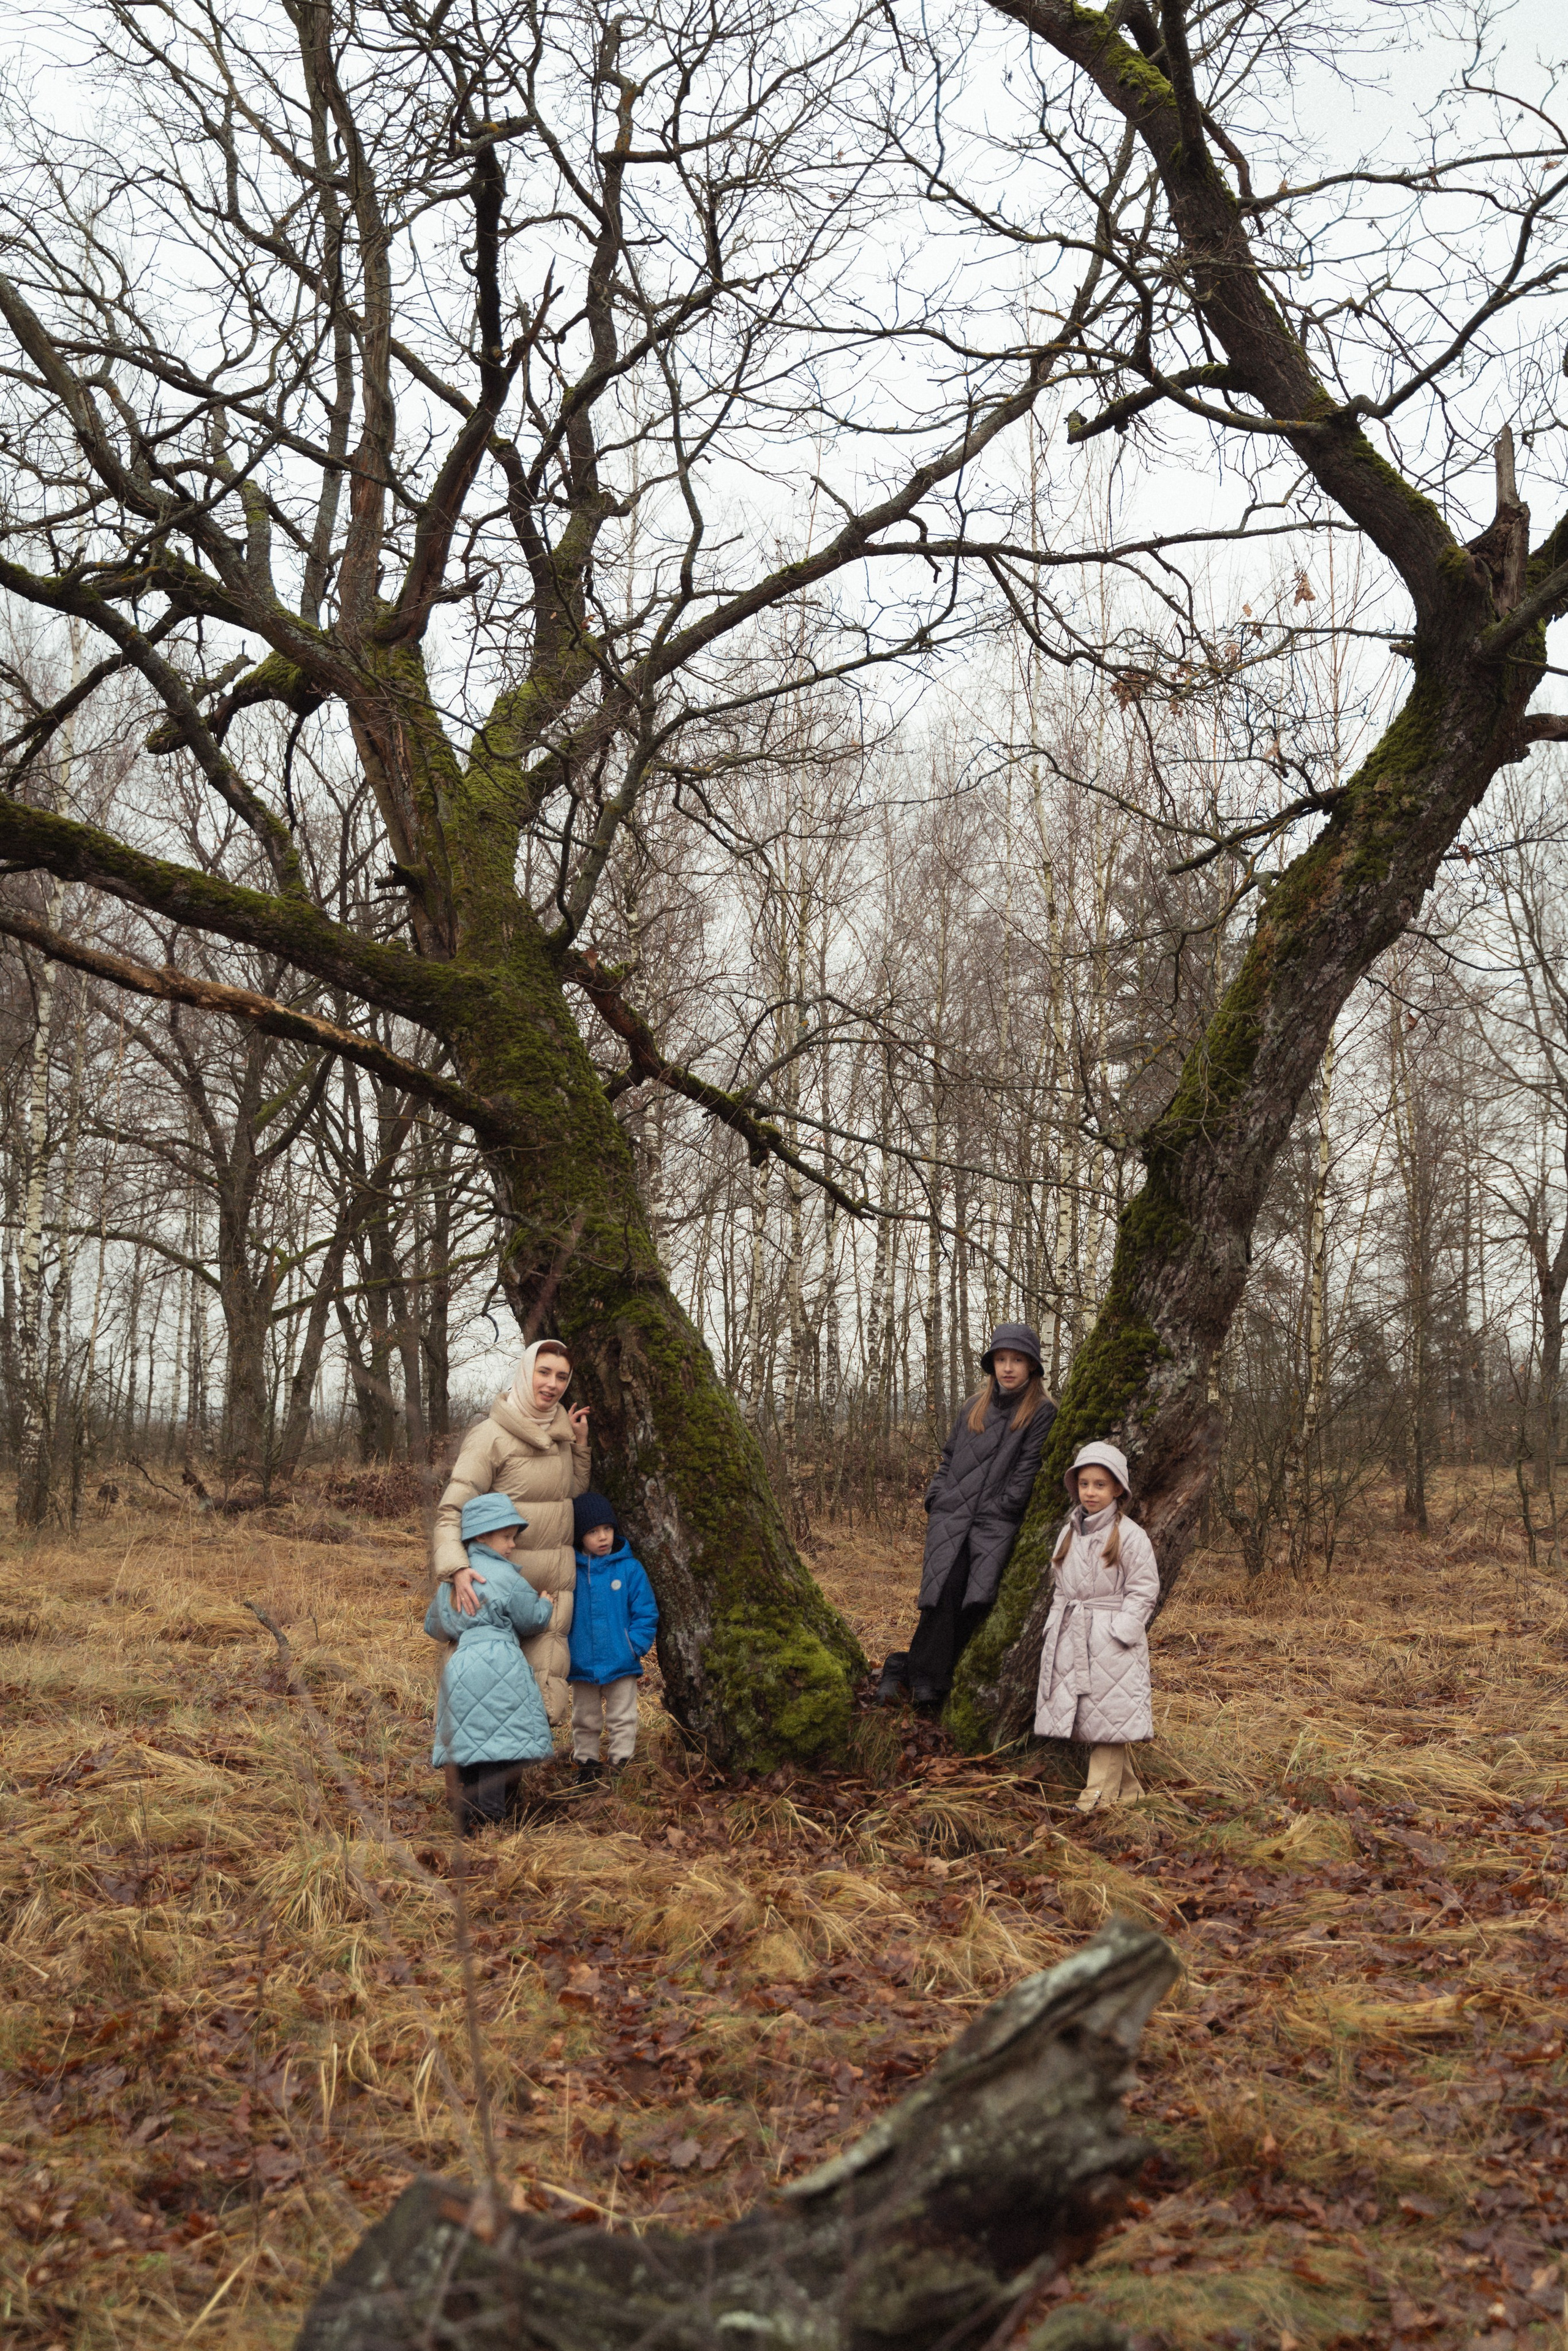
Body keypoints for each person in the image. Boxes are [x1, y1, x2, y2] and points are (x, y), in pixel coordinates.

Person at [876, 1321, 1056, 1710]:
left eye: (1017, 1360)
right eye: (1001, 1359)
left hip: (995, 1523)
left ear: (1032, 1366)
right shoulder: (973, 1406)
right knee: (941, 1597)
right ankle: (927, 1685)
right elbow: (948, 1458)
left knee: (974, 1607)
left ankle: (902, 1668)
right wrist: (935, 1498)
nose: (1008, 1368)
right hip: (952, 1517)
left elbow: (1027, 1471)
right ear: (992, 1364)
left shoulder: (1041, 1412)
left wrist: (1005, 1506)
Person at [433, 1338, 590, 1726]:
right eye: (544, 1372)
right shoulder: (490, 1436)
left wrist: (580, 1446)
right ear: (524, 1372)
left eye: (562, 1377)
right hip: (494, 1593)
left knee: (536, 1709)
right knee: (481, 1706)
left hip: (549, 1593)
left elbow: (565, 1496)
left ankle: (518, 1770)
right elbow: (452, 1510)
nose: (552, 1384)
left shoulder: (560, 1438)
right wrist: (456, 1567)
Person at [1035, 1441, 1159, 1813]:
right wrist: (1054, 1624)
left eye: (1100, 1485)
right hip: (1074, 1635)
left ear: (1118, 1488)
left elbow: (1144, 1590)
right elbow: (1061, 1588)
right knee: (1101, 1718)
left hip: (1113, 1643)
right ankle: (1132, 1794)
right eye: (1084, 1484)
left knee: (1111, 1718)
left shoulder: (1131, 1536)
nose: (1091, 1492)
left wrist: (1121, 1632)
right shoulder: (1069, 1532)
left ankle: (1095, 1801)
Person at [426, 1493, 555, 1833]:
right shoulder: (506, 1576)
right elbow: (531, 1620)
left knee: (469, 1743)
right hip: (501, 1663)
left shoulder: (453, 1580)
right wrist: (545, 1604)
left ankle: (468, 1817)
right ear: (482, 1536)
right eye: (507, 1537)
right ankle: (494, 1816)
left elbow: (433, 1626)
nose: (513, 1545)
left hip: (461, 1666)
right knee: (499, 1746)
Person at [567, 1492, 659, 1785]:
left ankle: (621, 1761)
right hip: (582, 1661)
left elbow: (645, 1611)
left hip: (621, 1659)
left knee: (623, 1715)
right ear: (580, 1537)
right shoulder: (570, 1572)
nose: (603, 1537)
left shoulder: (629, 1569)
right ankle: (587, 1763)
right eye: (593, 1532)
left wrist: (633, 1645)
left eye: (607, 1529)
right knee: (585, 1717)